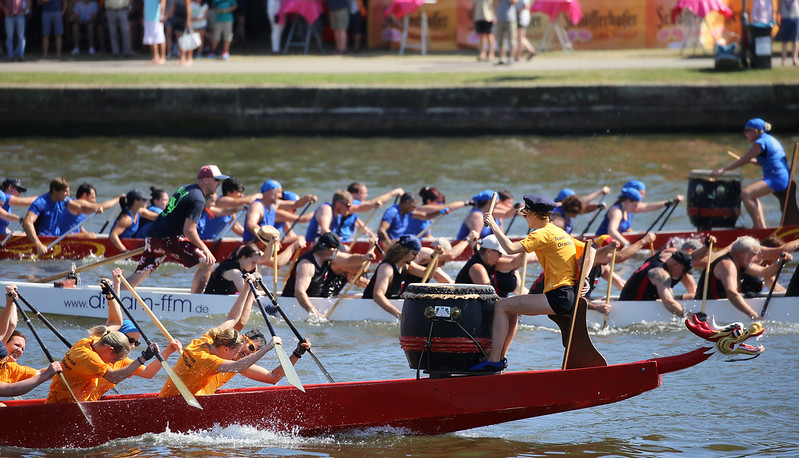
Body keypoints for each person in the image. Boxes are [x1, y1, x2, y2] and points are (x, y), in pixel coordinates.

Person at [469, 194, 593, 372]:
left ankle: (494, 359)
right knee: (510, 308)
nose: (525, 217)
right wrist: (585, 279)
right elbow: (591, 250)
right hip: (569, 294)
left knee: (501, 306)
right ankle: (499, 358)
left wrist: (493, 225)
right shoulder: (559, 232)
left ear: (535, 215)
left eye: (526, 214)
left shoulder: (541, 234)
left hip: (558, 296)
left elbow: (510, 249)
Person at [159, 280, 284, 397]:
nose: (236, 356)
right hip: (179, 400)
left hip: (195, 398)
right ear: (226, 349)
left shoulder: (209, 339)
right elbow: (238, 365)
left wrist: (247, 288)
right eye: (235, 353)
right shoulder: (211, 360)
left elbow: (233, 319)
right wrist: (268, 347)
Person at [125, 165, 228, 288]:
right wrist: (205, 249)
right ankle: (197, 299)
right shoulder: (198, 200)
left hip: (153, 236)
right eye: (216, 180)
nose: (219, 183)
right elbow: (189, 230)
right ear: (206, 180)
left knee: (141, 273)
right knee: (208, 263)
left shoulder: (184, 189)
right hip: (170, 239)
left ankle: (118, 292)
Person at [712, 118, 790, 229]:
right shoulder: (770, 139)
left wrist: (723, 169)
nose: (745, 133)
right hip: (780, 177)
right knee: (752, 195)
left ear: (756, 131)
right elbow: (768, 161)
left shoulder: (760, 143)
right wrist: (751, 161)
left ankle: (757, 228)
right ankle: (761, 227)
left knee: (745, 194)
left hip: (776, 178)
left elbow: (743, 160)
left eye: (747, 130)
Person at [697, 236, 792, 320]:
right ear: (742, 253)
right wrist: (753, 315)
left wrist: (780, 263)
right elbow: (731, 293)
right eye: (753, 254)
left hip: (723, 304)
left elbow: (765, 273)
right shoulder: (727, 266)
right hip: (708, 306)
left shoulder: (741, 262)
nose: (755, 259)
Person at [282, 232, 374, 318]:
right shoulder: (307, 265)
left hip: (319, 301)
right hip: (293, 306)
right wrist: (314, 313)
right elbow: (299, 292)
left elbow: (349, 259)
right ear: (330, 251)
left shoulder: (328, 257)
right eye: (336, 250)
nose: (338, 253)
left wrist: (364, 257)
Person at [0, 285, 62, 402]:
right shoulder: (1, 344)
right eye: (17, 345)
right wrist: (11, 302)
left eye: (23, 349)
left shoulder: (13, 368)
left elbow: (38, 372)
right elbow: (10, 390)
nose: (19, 350)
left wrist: (69, 365)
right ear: (5, 343)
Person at [23, 178, 103, 256]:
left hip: (56, 237)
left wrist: (94, 209)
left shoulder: (63, 200)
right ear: (55, 190)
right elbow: (27, 223)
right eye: (65, 191)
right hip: (43, 239)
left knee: (90, 235)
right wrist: (38, 245)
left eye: (68, 191)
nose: (68, 194)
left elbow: (81, 208)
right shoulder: (40, 203)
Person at [618, 248, 702, 316]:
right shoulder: (660, 274)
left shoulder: (665, 255)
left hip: (645, 302)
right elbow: (668, 303)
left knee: (692, 296)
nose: (683, 274)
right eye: (683, 271)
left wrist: (706, 246)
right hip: (632, 308)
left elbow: (692, 256)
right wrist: (693, 317)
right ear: (676, 264)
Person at [362, 234, 425, 318]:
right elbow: (377, 295)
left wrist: (435, 256)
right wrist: (399, 314)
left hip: (389, 307)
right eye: (414, 253)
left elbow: (428, 274)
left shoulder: (406, 266)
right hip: (368, 307)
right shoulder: (386, 269)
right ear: (403, 251)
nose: (416, 257)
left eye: (418, 253)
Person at [455, 234, 532, 298]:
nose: (501, 256)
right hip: (462, 306)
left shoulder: (489, 261)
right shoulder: (477, 268)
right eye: (499, 253)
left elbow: (514, 264)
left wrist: (524, 248)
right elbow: (489, 296)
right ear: (488, 251)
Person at [338, 183, 403, 243]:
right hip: (341, 241)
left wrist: (371, 234)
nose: (366, 195)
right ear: (353, 195)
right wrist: (393, 193)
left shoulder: (352, 211)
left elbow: (359, 225)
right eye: (363, 193)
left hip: (346, 241)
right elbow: (371, 203)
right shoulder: (350, 205)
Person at [143, 0, 167, 64]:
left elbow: (163, 2)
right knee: (150, 39)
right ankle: (155, 56)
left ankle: (163, 57)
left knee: (160, 38)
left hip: (157, 19)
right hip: (147, 18)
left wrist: (162, 15)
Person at [776, 0, 799, 66]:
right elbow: (779, 5)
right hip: (785, 17)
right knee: (785, 40)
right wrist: (778, 16)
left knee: (795, 40)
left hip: (795, 16)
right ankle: (783, 60)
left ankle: (794, 59)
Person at [494, 0, 516, 65]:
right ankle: (502, 58)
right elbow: (495, 3)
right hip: (500, 19)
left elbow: (515, 2)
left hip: (510, 19)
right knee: (500, 40)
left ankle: (511, 58)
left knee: (512, 40)